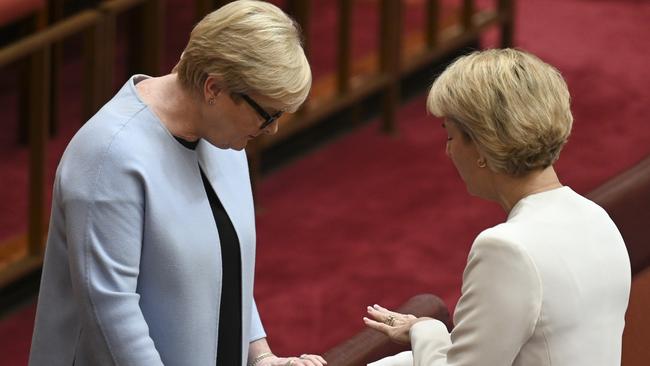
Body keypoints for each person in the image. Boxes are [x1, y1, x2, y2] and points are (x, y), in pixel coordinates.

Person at [28, 1, 326, 366]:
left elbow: (226, 263)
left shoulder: (224, 135)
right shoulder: (110, 154)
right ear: (214, 88)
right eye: (268, 115)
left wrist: (260, 354)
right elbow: (111, 310)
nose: (273, 128)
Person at [363, 49, 631, 366]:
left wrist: (426, 328)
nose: (448, 152)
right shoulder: (596, 217)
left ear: (479, 146)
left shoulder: (506, 250)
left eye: (450, 136)